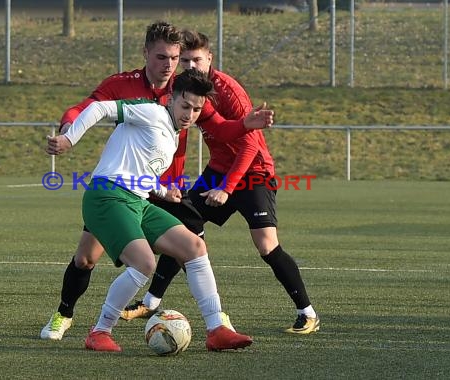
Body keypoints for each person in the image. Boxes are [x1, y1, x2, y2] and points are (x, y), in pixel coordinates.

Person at [40, 21, 272, 341]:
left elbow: (219, 128)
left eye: (175, 58)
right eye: (162, 57)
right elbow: (87, 109)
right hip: (118, 189)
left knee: (192, 244)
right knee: (86, 258)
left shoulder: (186, 92)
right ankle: (66, 316)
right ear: (146, 53)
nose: (170, 65)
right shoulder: (130, 89)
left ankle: (215, 322)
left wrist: (245, 124)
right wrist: (68, 132)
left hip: (159, 189)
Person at [121, 30, 320, 334]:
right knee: (182, 228)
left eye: (196, 60)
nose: (189, 66)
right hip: (216, 172)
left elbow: (250, 146)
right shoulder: (185, 89)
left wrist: (227, 188)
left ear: (209, 59)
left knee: (267, 246)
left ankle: (307, 313)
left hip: (253, 173)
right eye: (183, 60)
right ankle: (150, 302)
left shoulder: (229, 91)